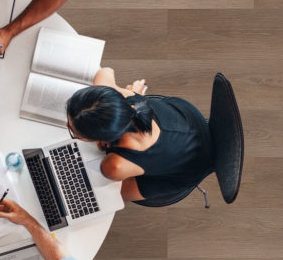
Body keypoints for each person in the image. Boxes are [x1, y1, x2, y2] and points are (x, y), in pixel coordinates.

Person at [66, 68, 215, 202]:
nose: (67, 125)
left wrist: (106, 149)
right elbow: (105, 72)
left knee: (107, 195)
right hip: (190, 122)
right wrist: (132, 95)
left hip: (190, 169)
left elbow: (116, 180)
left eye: (74, 132)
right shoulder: (125, 96)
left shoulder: (113, 166)